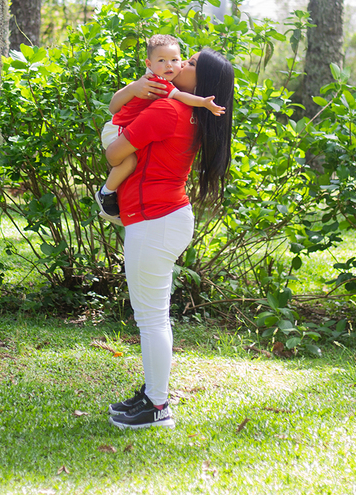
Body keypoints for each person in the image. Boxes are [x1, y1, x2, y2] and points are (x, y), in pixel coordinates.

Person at [103, 48, 235, 430]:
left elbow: (115, 155)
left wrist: (115, 131)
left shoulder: (167, 111)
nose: (180, 65)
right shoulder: (188, 112)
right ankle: (151, 395)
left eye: (191, 64)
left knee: (152, 319)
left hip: (156, 220)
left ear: (203, 83)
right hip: (165, 218)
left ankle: (157, 406)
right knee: (153, 317)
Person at [95, 34, 225, 226]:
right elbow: (114, 108)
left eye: (181, 61)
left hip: (156, 214)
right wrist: (132, 88)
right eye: (163, 61)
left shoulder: (171, 107)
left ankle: (106, 193)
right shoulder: (159, 87)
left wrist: (204, 102)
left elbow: (114, 154)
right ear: (150, 62)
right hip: (118, 129)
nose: (174, 66)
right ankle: (106, 193)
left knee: (129, 160)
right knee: (129, 160)